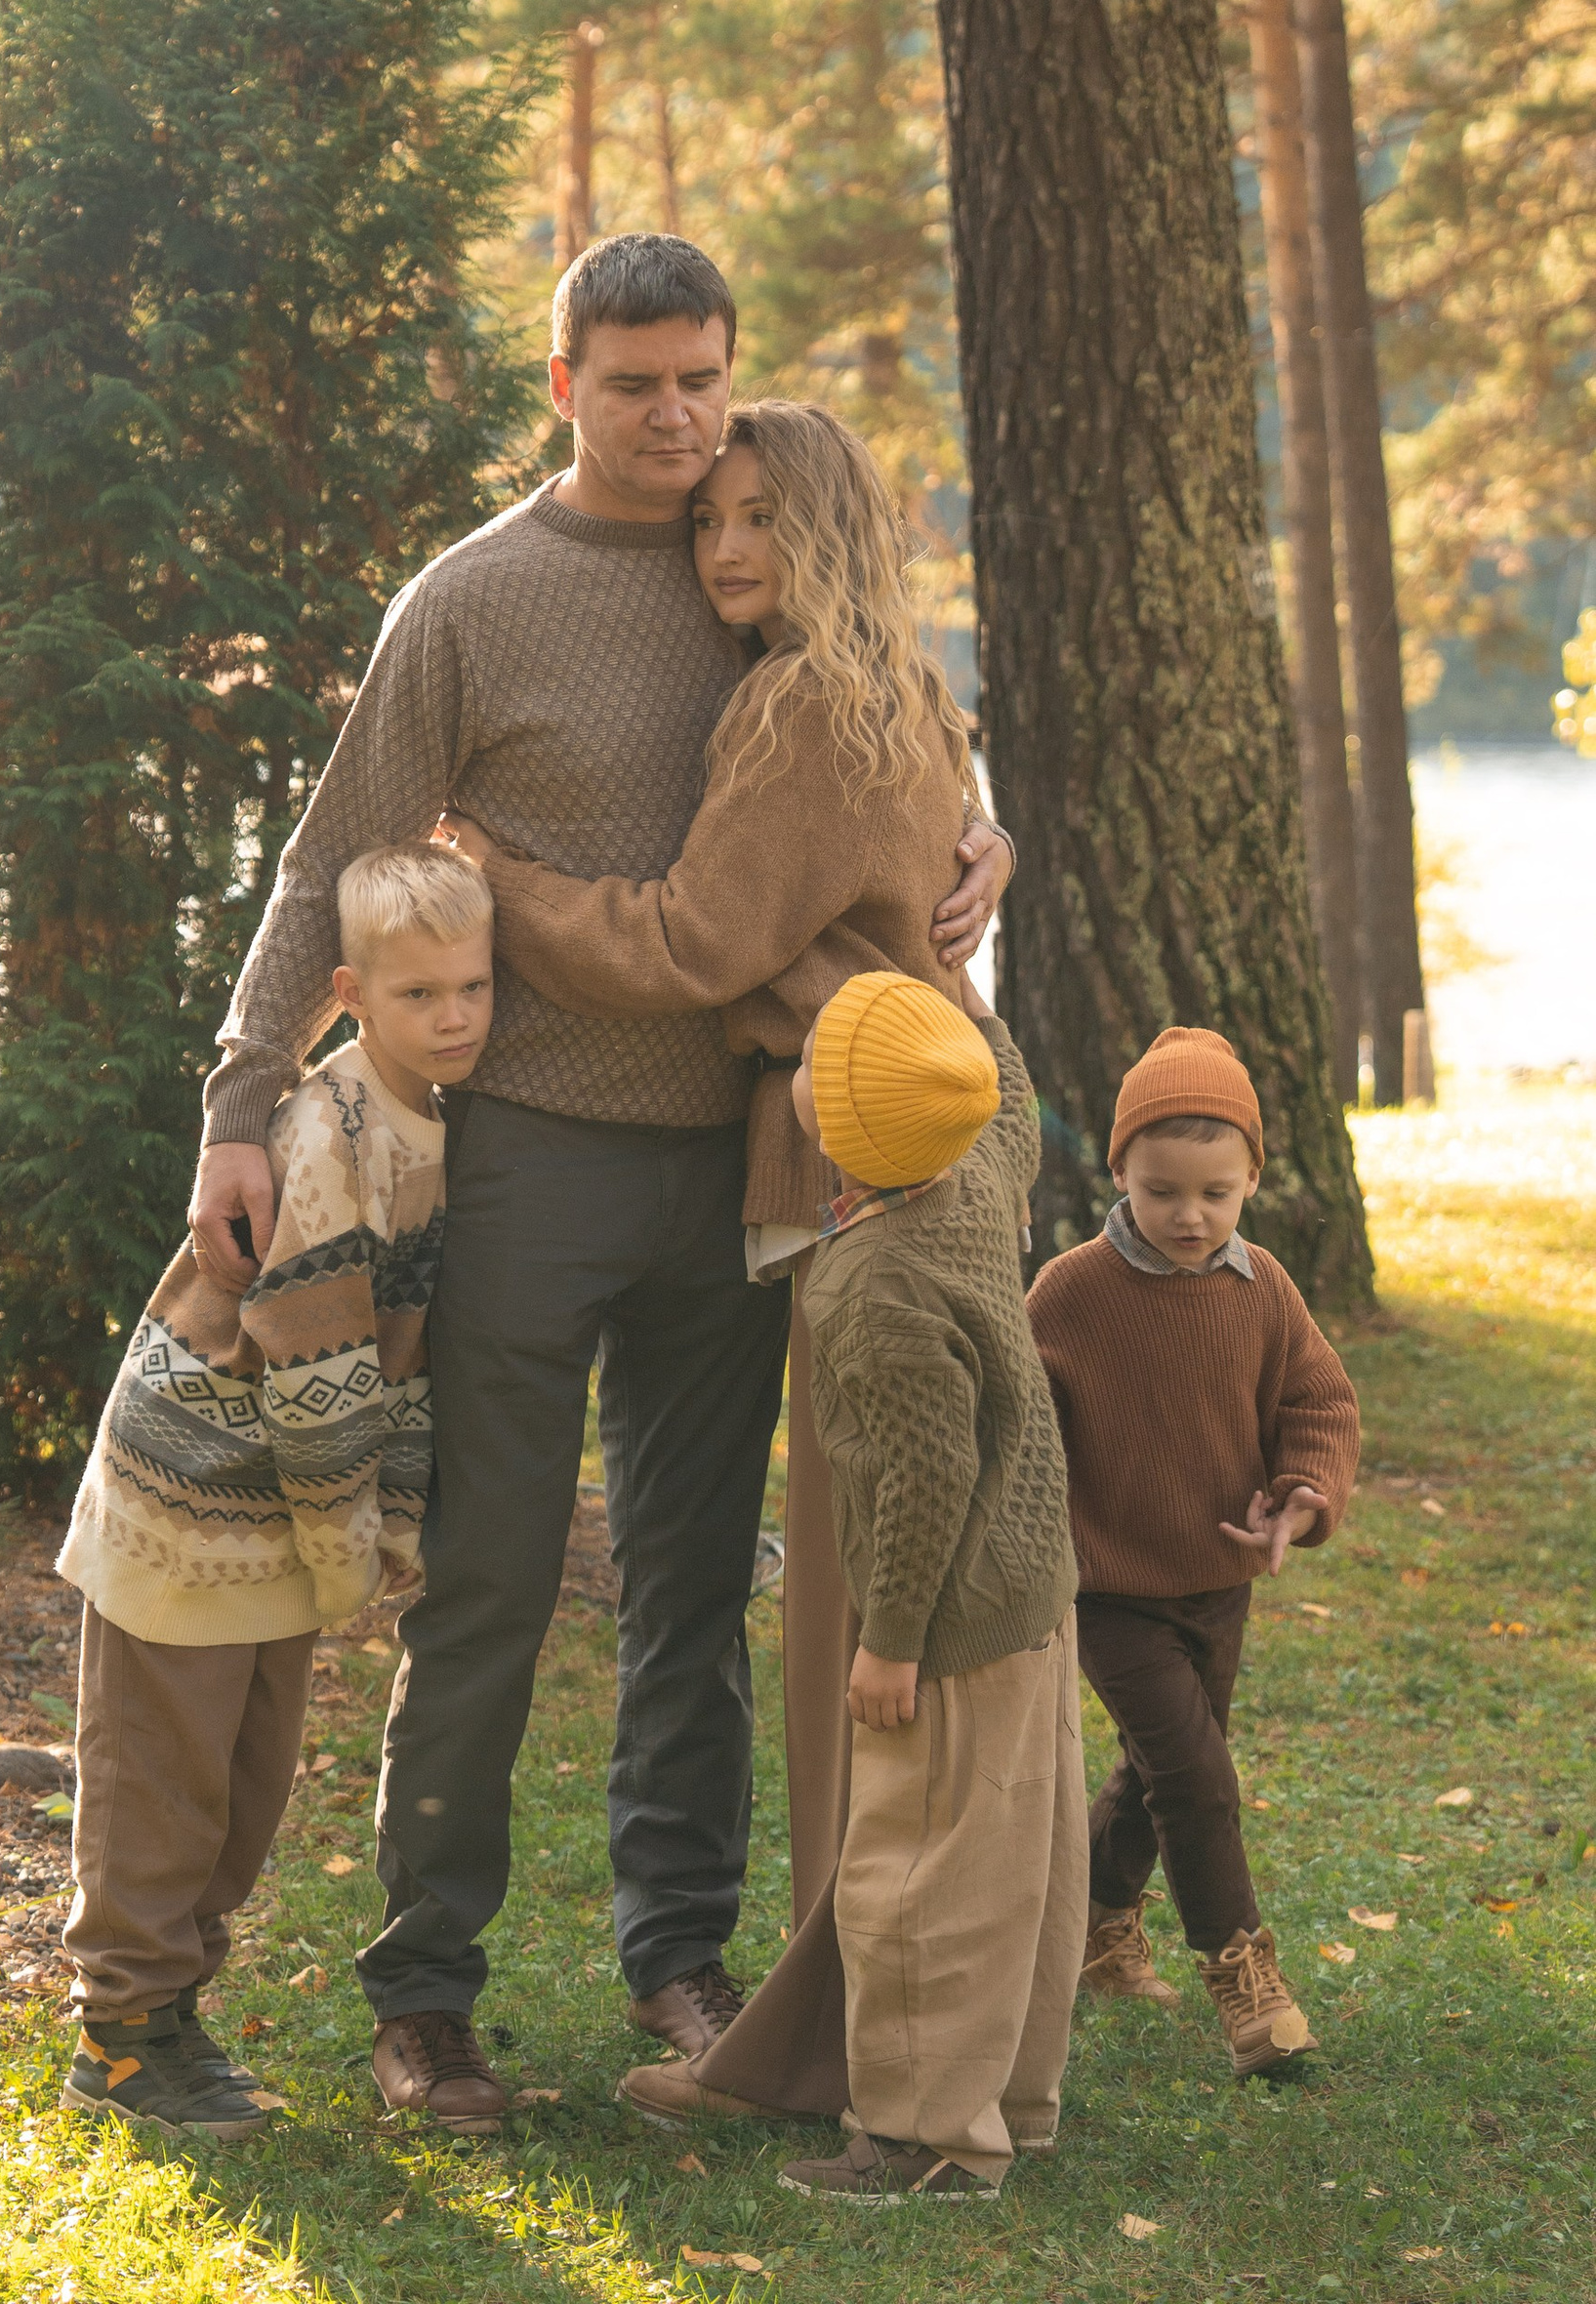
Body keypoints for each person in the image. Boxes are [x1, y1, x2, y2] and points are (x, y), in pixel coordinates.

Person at [185, 235, 1009, 2140]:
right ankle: (426, 2000)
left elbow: (889, 740)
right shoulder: (470, 602)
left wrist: (987, 835)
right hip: (534, 1154)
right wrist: (241, 1093)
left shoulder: (759, 560)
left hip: (742, 1158)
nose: (673, 417)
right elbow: (330, 862)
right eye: (632, 383)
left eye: (700, 377)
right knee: (479, 1587)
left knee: (689, 1589)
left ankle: (680, 1959)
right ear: (560, 382)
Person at [447, 397, 1005, 2129]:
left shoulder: (795, 705)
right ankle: (915, 2015)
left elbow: (688, 941)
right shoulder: (913, 700)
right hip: (951, 1130)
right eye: (711, 521)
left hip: (868, 1163)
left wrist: (500, 879)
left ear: (831, 528)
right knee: (945, 1595)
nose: (726, 546)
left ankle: (842, 2039)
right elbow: (925, 865)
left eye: (761, 516)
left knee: (869, 1611)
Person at [55, 846, 491, 2140]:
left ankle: (174, 2015)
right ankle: (122, 2037)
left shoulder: (444, 1121)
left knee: (244, 1788)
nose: (456, 1016)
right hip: (187, 1504)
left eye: (474, 987)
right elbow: (317, 1368)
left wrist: (372, 1524)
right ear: (352, 995)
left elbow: (401, 1356)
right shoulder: (328, 1133)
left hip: (276, 1526)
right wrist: (352, 1541)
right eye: (421, 996)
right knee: (161, 1777)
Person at [770, 972, 1086, 2203]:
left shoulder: (866, 1283)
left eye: (813, 1062)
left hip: (947, 1621)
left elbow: (923, 1471)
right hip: (1033, 1590)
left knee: (919, 1882)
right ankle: (1013, 2097)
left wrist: (888, 1639)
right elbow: (1003, 1091)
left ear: (840, 1128)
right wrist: (965, 996)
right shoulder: (980, 1178)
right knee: (1024, 1858)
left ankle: (920, 2136)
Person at [1025, 1026, 1361, 2078]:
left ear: (1252, 1177)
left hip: (1219, 1582)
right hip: (1109, 1586)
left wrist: (1300, 1499)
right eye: (1162, 1189)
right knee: (1196, 1776)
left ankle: (1090, 1922)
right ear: (1119, 1169)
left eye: (1215, 1193)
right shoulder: (1070, 1293)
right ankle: (1245, 1985)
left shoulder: (1261, 1289)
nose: (1188, 1215)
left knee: (1160, 1765)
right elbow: (1020, 1426)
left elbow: (1318, 1400)